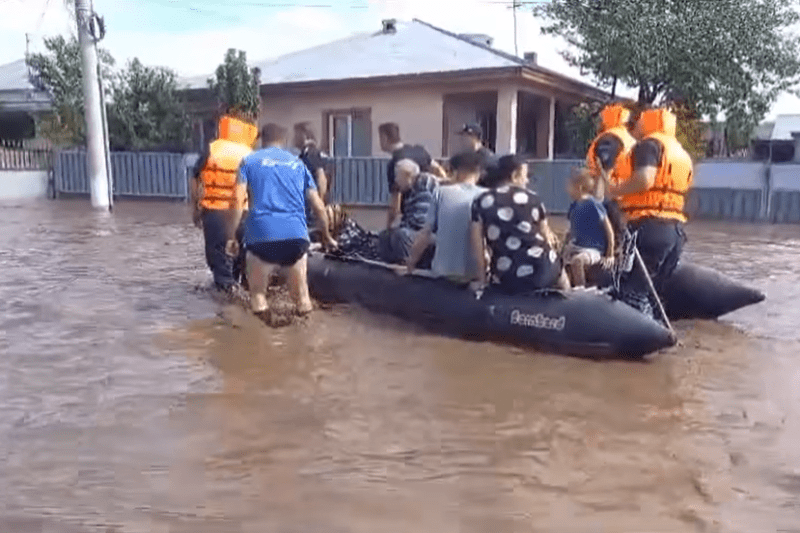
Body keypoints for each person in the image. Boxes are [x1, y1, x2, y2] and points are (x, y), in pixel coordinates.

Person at [228, 123, 337, 318]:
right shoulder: (298, 164)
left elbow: (237, 200)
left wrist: (231, 236)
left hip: (261, 236)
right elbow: (319, 206)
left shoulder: (249, 161)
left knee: (258, 295)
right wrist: (327, 236)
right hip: (296, 237)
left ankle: (265, 341)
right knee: (302, 297)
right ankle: (308, 343)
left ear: (262, 140)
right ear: (284, 141)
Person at [607, 107, 693, 290]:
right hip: (675, 230)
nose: (634, 128)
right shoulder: (679, 151)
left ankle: (629, 317)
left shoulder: (649, 145)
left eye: (638, 123)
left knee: (633, 291)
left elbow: (645, 179)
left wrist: (615, 190)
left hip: (648, 227)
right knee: (653, 291)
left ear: (647, 123)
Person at [470, 154, 569, 294]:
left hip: (509, 274)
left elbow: (477, 246)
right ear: (515, 175)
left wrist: (481, 279)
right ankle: (571, 299)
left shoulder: (481, 201)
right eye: (525, 176)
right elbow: (547, 238)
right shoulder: (534, 199)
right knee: (556, 267)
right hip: (543, 268)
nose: (527, 181)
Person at [190, 114, 258, 293]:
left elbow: (195, 178)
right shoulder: (249, 153)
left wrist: (196, 209)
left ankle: (225, 310)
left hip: (215, 212)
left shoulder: (212, 149)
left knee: (219, 260)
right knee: (242, 259)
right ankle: (243, 296)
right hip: (243, 213)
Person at [405, 151, 487, 282]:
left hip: (442, 273)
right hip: (473, 276)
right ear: (479, 173)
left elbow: (424, 235)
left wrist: (409, 265)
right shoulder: (487, 196)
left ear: (455, 171)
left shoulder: (441, 193)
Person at [378, 122, 447, 231]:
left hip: (413, 217)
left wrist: (388, 227)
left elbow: (395, 202)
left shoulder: (395, 163)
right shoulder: (419, 150)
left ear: (384, 138)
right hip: (433, 212)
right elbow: (438, 169)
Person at [377, 158, 439, 264]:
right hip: (414, 230)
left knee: (401, 235)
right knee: (385, 235)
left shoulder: (424, 184)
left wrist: (400, 225)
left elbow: (420, 221)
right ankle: (388, 267)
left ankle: (406, 266)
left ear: (407, 176)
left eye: (398, 176)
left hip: (428, 234)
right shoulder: (408, 190)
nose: (396, 180)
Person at [564, 168, 615, 287]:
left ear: (579, 187)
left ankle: (581, 291)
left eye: (570, 186)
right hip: (576, 246)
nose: (567, 190)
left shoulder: (593, 205)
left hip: (593, 249)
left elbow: (609, 230)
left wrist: (610, 254)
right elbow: (571, 231)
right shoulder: (573, 206)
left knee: (578, 261)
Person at [586, 103, 637, 200]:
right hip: (626, 197)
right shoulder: (630, 139)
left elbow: (603, 173)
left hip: (611, 199)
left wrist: (597, 205)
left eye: (599, 119)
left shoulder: (609, 139)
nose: (597, 123)